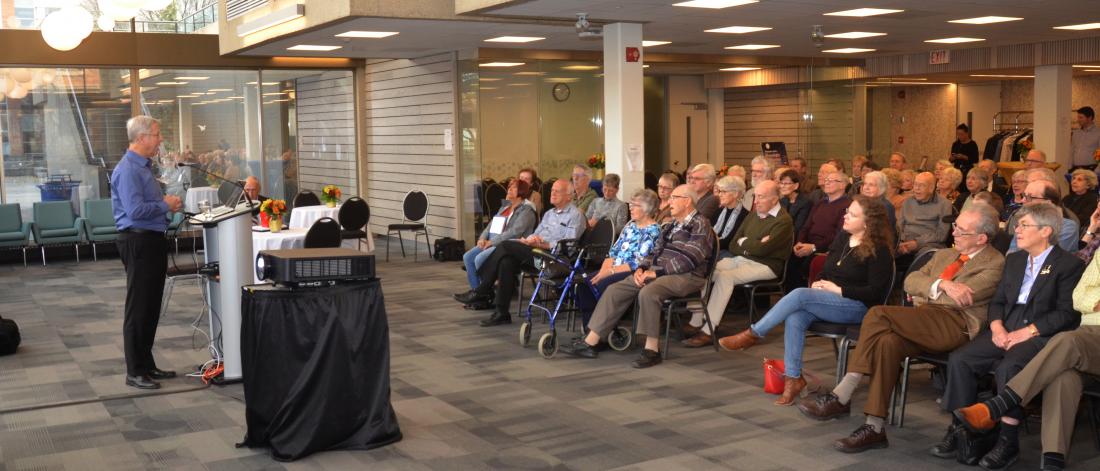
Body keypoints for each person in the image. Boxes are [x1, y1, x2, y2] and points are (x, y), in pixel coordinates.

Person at [799, 204, 1005, 453]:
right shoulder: (944, 255)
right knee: (887, 343)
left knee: (877, 313)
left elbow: (958, 301)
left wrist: (931, 289)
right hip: (923, 318)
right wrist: (944, 285)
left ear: (981, 238)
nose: (954, 233)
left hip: (955, 325)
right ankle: (874, 427)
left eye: (961, 231)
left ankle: (843, 393)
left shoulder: (995, 263)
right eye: (955, 227)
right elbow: (910, 281)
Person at [935, 203, 1085, 470]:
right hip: (1004, 330)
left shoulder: (1068, 264)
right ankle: (963, 430)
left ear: (1046, 231)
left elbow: (1066, 314)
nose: (1017, 229)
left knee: (1010, 367)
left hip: (1039, 334)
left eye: (1025, 225)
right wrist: (996, 327)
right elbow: (999, 301)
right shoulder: (1014, 260)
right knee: (961, 359)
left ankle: (1008, 440)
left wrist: (1026, 332)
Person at [719, 195, 895, 405]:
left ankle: (754, 333)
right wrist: (820, 283)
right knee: (796, 316)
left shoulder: (879, 250)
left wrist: (838, 290)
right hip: (831, 299)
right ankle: (793, 379)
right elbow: (827, 270)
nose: (845, 216)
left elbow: (875, 292)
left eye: (852, 214)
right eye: (847, 211)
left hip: (858, 307)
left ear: (868, 223)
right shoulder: (842, 238)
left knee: (800, 295)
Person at [561, 184, 716, 368]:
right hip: (660, 273)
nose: (669, 202)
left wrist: (655, 272)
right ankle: (591, 342)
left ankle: (652, 350)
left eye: (674, 197)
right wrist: (642, 268)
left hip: (687, 276)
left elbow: (690, 258)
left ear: (687, 201)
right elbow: (654, 252)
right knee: (615, 289)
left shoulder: (700, 223)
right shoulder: (672, 225)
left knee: (649, 292)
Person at [111, 116, 183, 390]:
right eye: (156, 133)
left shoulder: (143, 167)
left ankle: (147, 364)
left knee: (151, 306)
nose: (160, 138)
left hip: (151, 240)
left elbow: (148, 205)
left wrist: (166, 205)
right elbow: (135, 211)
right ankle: (135, 371)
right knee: (138, 307)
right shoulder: (128, 169)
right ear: (141, 138)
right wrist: (165, 204)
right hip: (138, 242)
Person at [454, 179, 585, 327]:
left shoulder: (575, 216)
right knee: (506, 262)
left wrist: (545, 244)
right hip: (536, 252)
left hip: (554, 259)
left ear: (569, 196)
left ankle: (481, 290)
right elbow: (535, 233)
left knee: (505, 245)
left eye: (557, 191)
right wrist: (530, 240)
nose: (552, 193)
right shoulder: (549, 214)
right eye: (552, 190)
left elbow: (570, 245)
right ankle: (501, 313)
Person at [683, 180, 793, 347]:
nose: (755, 201)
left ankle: (709, 329)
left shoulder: (783, 221)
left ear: (775, 198)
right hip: (742, 259)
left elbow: (764, 251)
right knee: (706, 268)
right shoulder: (753, 215)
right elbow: (734, 244)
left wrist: (746, 243)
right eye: (756, 196)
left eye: (761, 197)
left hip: (767, 265)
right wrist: (754, 243)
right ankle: (697, 318)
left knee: (725, 277)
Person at [574, 189, 662, 326]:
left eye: (635, 205)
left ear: (647, 209)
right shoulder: (630, 226)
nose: (630, 208)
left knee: (602, 284)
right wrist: (604, 270)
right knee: (585, 283)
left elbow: (638, 262)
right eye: (631, 204)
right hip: (614, 268)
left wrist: (609, 272)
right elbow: (613, 252)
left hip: (633, 271)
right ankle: (589, 327)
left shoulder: (653, 230)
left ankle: (603, 328)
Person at [458, 179, 537, 294]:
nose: (509, 189)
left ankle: (484, 293)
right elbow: (490, 225)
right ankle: (477, 292)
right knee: (468, 257)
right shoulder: (505, 207)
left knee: (479, 259)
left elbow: (514, 232)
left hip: (507, 245)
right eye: (509, 186)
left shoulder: (526, 211)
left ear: (521, 192)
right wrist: (482, 238)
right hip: (490, 242)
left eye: (513, 187)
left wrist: (491, 242)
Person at [785, 170, 851, 291]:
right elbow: (806, 226)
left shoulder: (847, 205)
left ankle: (805, 298)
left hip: (825, 249)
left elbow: (838, 236)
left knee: (806, 265)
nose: (827, 183)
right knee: (788, 260)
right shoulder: (821, 203)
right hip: (807, 245)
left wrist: (814, 247)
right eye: (826, 180)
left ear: (843, 185)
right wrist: (799, 242)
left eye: (831, 181)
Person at [1006, 180, 1080, 253]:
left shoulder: (1067, 227)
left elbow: (1049, 257)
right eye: (1023, 195)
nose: (1022, 200)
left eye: (1029, 197)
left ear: (1047, 203)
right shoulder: (1022, 223)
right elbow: (1011, 254)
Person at [897, 172, 953, 259]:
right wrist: (900, 242)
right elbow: (899, 226)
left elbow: (942, 234)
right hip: (905, 242)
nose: (917, 189)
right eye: (915, 184)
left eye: (922, 185)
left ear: (931, 188)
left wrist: (917, 243)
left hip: (929, 244)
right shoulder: (907, 202)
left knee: (926, 255)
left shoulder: (945, 204)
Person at [710, 176, 749, 256]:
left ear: (736, 194)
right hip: (713, 247)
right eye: (719, 191)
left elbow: (730, 241)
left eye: (724, 192)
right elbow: (708, 231)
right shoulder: (718, 211)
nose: (720, 195)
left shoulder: (745, 215)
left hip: (728, 253)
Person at [778, 169, 812, 237]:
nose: (782, 186)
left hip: (795, 238)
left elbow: (798, 228)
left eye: (786, 183)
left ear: (796, 185)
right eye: (781, 183)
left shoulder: (805, 203)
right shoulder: (782, 201)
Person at [1070, 105, 1100, 173]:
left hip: (1091, 170)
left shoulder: (1098, 133)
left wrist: (1097, 171)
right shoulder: (1076, 133)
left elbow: (1099, 153)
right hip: (1075, 169)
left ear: (1089, 118)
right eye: (1078, 117)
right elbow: (1072, 151)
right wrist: (1069, 168)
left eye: (1081, 117)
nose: (1078, 120)